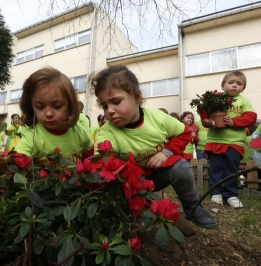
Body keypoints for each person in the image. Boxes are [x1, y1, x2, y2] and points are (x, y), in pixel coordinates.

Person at [0, 66, 94, 211]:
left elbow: (90, 160)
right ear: (31, 107)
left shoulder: (80, 131)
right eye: (40, 107)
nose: (48, 113)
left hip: (75, 196)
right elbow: (13, 165)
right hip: (42, 199)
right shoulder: (33, 135)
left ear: (70, 106)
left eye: (57, 106)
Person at [90, 65, 217, 229]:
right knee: (127, 188)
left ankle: (193, 206)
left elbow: (184, 133)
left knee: (181, 167)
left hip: (161, 171)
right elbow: (101, 161)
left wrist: (165, 153)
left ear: (137, 97)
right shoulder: (106, 132)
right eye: (104, 106)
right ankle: (137, 214)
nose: (110, 111)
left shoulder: (158, 118)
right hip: (136, 180)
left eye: (116, 102)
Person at [199, 71, 257, 208]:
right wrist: (205, 119)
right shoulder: (215, 99)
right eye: (230, 82)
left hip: (235, 142)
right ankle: (216, 193)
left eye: (239, 84)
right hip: (215, 141)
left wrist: (234, 122)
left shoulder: (244, 101)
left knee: (232, 169)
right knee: (216, 168)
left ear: (243, 88)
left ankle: (231, 195)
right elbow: (205, 115)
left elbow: (251, 117)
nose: (234, 86)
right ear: (222, 85)